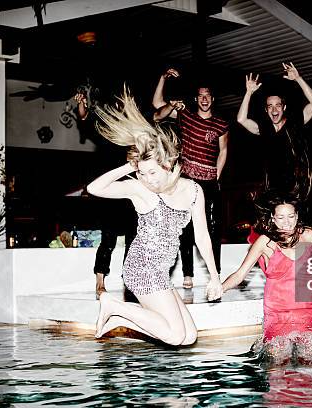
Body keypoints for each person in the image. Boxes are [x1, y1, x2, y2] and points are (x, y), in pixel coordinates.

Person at [86, 88, 222, 345]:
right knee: (174, 335)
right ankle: (115, 306)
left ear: (168, 164)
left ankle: (120, 319)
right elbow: (94, 189)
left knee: (189, 337)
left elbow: (203, 236)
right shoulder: (141, 190)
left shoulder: (194, 190)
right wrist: (130, 166)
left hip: (161, 271)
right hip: (141, 268)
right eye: (142, 173)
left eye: (152, 173)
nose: (147, 179)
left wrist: (215, 277)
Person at [216, 192, 312, 364]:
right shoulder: (264, 242)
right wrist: (220, 288)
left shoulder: (309, 236)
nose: (287, 222)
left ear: (297, 216)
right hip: (278, 313)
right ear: (273, 219)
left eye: (291, 216)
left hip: (309, 309)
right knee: (277, 366)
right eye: (281, 217)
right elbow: (240, 275)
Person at [152, 68, 229, 289]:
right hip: (186, 180)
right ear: (196, 99)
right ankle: (188, 274)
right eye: (201, 96)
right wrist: (163, 78)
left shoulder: (222, 124)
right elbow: (158, 105)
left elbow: (223, 151)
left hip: (209, 180)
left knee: (214, 227)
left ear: (212, 99)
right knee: (186, 226)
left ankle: (217, 272)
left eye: (208, 96)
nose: (204, 99)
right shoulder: (185, 114)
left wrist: (217, 175)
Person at [74, 91, 137, 299]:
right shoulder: (104, 130)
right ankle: (100, 281)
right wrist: (82, 105)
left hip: (128, 192)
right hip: (109, 191)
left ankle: (129, 280)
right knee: (108, 239)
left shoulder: (132, 132)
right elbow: (83, 118)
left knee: (132, 238)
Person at [236, 62, 312, 198]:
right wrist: (248, 93)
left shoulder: (295, 123)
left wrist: (298, 78)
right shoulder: (263, 129)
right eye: (270, 106)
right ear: (266, 110)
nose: (274, 110)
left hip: (298, 188)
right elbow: (241, 119)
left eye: (278, 106)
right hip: (273, 190)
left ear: (284, 108)